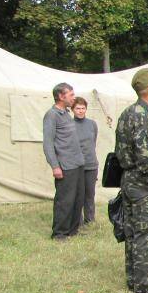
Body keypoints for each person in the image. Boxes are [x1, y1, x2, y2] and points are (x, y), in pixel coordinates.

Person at [115, 68, 148, 293]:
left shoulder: (128, 112)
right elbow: (144, 154)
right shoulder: (142, 115)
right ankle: (144, 284)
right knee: (146, 232)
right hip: (142, 181)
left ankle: (133, 278)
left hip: (128, 178)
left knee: (132, 231)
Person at [42, 82, 85, 240]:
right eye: (71, 94)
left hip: (77, 163)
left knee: (78, 199)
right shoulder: (51, 115)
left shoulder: (66, 113)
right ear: (61, 96)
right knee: (65, 200)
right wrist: (55, 166)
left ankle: (72, 230)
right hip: (65, 165)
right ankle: (59, 233)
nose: (74, 97)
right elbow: (48, 143)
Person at [72, 96, 99, 225]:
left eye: (83, 108)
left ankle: (90, 219)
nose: (81, 111)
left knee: (90, 193)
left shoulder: (92, 124)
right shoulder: (69, 124)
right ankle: (78, 221)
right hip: (76, 165)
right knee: (78, 194)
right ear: (73, 109)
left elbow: (93, 141)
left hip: (91, 164)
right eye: (78, 108)